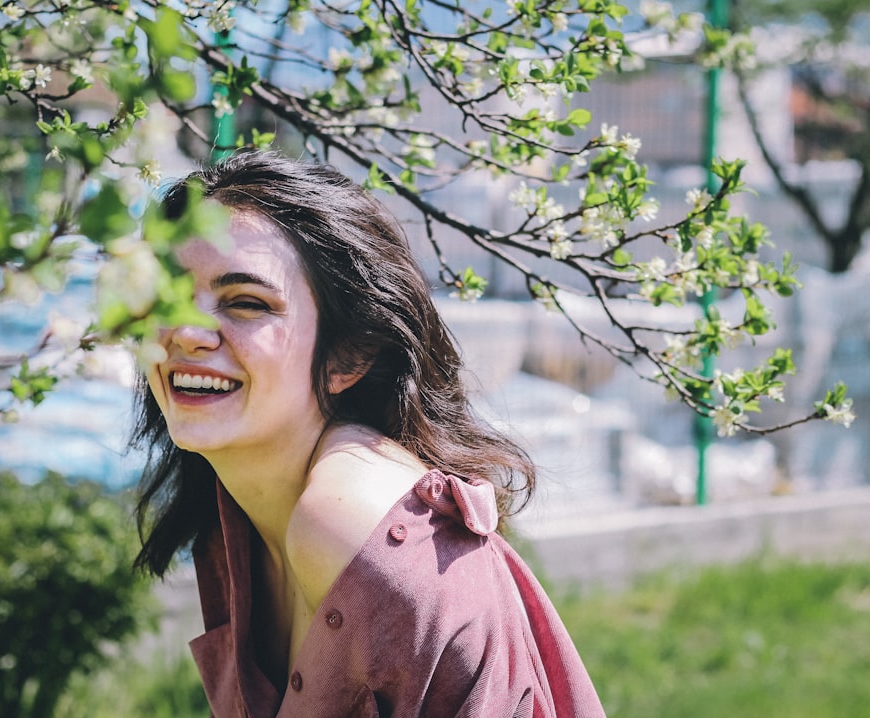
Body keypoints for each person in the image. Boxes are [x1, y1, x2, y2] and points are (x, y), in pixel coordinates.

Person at [131, 151, 605, 717]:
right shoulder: (233, 511)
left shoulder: (345, 514)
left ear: (348, 356)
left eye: (247, 302)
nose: (185, 332)